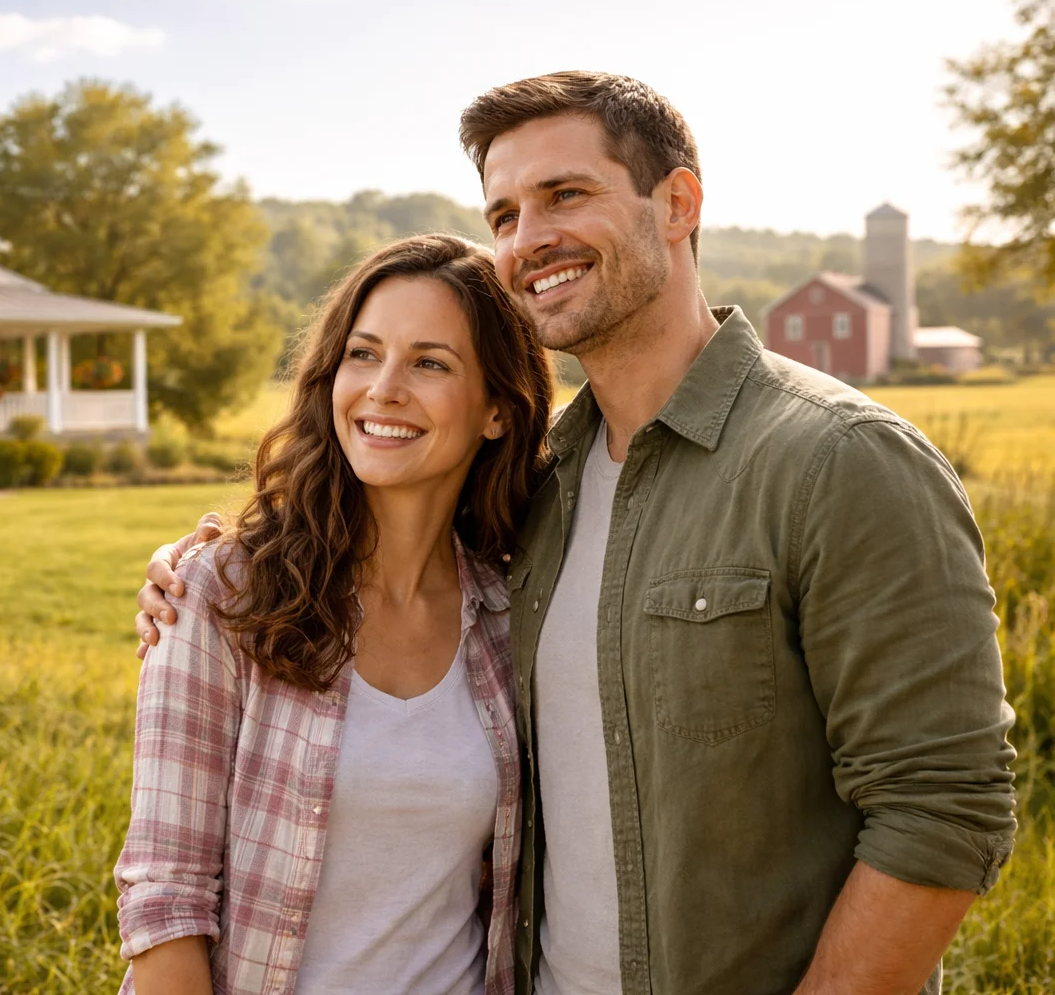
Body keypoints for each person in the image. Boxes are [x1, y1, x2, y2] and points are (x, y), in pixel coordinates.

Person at [136, 72, 1018, 995]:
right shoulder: (539, 493)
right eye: (505, 213)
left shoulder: (837, 461)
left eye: (566, 195)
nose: (529, 238)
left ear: (677, 204)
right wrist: (199, 576)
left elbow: (944, 805)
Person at [115, 233, 555, 994]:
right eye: (363, 353)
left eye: (429, 362)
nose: (383, 388)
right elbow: (165, 904)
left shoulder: (509, 616)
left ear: (496, 411)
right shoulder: (222, 595)